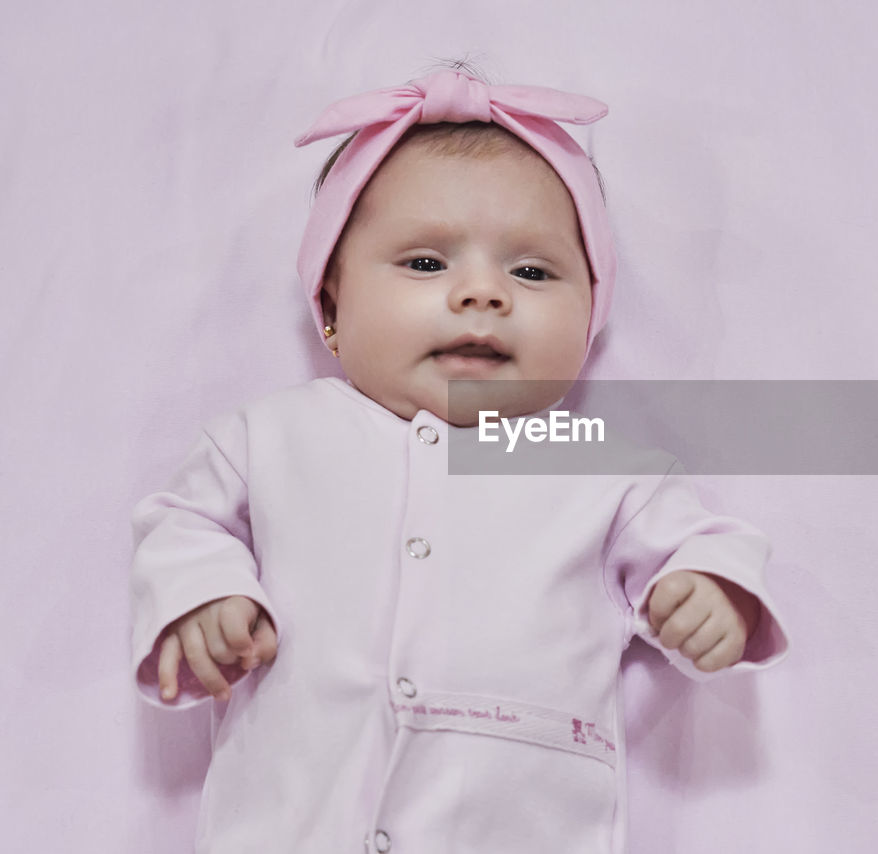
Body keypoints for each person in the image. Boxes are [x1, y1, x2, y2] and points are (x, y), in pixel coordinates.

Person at [129, 67, 789, 853]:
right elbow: (180, 523)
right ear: (331, 304)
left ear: (590, 317)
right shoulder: (272, 437)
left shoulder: (591, 462)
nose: (483, 293)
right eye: (425, 264)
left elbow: (697, 537)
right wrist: (202, 594)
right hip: (295, 819)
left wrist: (710, 588)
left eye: (533, 272)